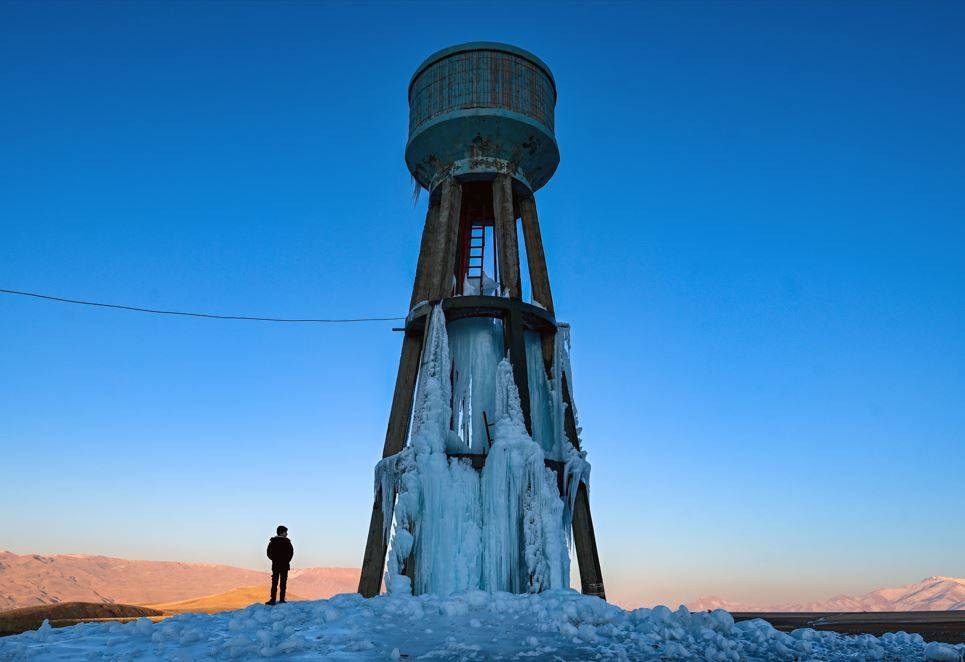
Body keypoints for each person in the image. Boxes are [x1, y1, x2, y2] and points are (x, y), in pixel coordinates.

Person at [265, 525, 294, 605]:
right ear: (282, 532)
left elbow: (269, 553)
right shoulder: (287, 543)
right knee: (282, 582)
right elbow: (291, 554)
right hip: (283, 565)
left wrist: (275, 559)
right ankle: (281, 599)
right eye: (285, 532)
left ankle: (273, 599)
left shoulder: (273, 542)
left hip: (276, 565)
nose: (287, 534)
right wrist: (285, 560)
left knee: (275, 582)